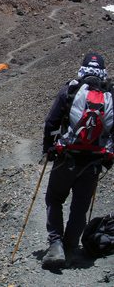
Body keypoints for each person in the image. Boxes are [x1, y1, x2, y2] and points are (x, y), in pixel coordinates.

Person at [41, 52, 113, 268]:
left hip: (67, 158)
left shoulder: (71, 89)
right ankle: (71, 245)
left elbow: (51, 122)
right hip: (93, 162)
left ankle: (55, 245)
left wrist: (48, 148)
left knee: (54, 199)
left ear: (82, 68)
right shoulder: (111, 94)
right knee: (80, 206)